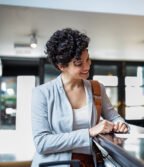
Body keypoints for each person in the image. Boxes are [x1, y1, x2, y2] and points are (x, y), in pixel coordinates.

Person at [31, 28, 128, 167]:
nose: (87, 66)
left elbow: (114, 117)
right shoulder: (42, 93)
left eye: (88, 59)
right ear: (61, 66)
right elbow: (42, 143)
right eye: (79, 63)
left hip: (88, 163)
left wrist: (120, 124)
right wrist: (89, 132)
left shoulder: (97, 88)